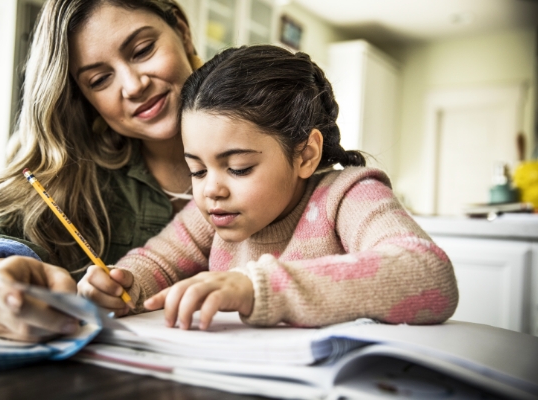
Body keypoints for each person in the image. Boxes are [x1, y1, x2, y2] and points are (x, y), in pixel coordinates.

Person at [78, 45, 459, 331]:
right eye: (195, 170)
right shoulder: (211, 214)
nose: (211, 189)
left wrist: (257, 287)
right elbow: (155, 262)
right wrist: (122, 284)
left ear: (306, 154)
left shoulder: (348, 196)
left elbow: (429, 274)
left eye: (239, 168)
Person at [0, 0, 202, 341]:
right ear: (83, 95)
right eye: (100, 79)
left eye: (142, 50)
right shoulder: (82, 183)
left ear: (183, 32)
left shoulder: (277, 127)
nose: (133, 86)